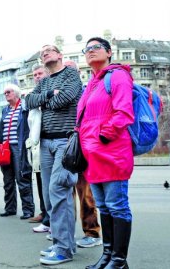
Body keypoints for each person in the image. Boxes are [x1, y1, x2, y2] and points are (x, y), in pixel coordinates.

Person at [78, 37, 135, 269]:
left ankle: (119, 260)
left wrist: (103, 135)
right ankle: (108, 256)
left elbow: (124, 112)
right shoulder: (91, 82)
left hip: (111, 151)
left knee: (117, 205)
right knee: (103, 206)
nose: (90, 51)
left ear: (109, 52)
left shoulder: (117, 75)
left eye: (96, 48)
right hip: (92, 155)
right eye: (87, 49)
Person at [25, 44, 82, 266]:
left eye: (49, 50)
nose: (44, 53)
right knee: (50, 196)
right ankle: (64, 243)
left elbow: (63, 100)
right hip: (45, 142)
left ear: (59, 55)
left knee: (59, 191)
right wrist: (48, 94)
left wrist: (45, 100)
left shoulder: (71, 75)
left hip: (65, 141)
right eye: (42, 52)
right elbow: (28, 102)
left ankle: (63, 249)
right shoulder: (44, 81)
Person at [63, 59, 102, 248]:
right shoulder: (60, 91)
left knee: (85, 192)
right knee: (64, 193)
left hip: (82, 146)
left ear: (78, 73)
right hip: (64, 147)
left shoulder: (87, 89)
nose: (66, 73)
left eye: (70, 70)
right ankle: (64, 232)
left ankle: (92, 232)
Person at [0, 84, 35, 219]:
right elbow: (2, 129)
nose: (6, 94)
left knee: (22, 178)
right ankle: (10, 208)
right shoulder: (5, 110)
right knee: (7, 180)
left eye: (9, 92)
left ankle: (28, 210)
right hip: (6, 148)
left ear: (16, 93)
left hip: (20, 148)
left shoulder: (24, 108)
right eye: (5, 93)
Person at [27, 65, 49, 225]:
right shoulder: (34, 95)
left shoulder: (53, 90)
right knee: (41, 180)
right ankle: (44, 212)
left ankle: (51, 217)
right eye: (34, 75)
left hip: (52, 141)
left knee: (52, 184)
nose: (37, 76)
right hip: (36, 144)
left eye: (40, 73)